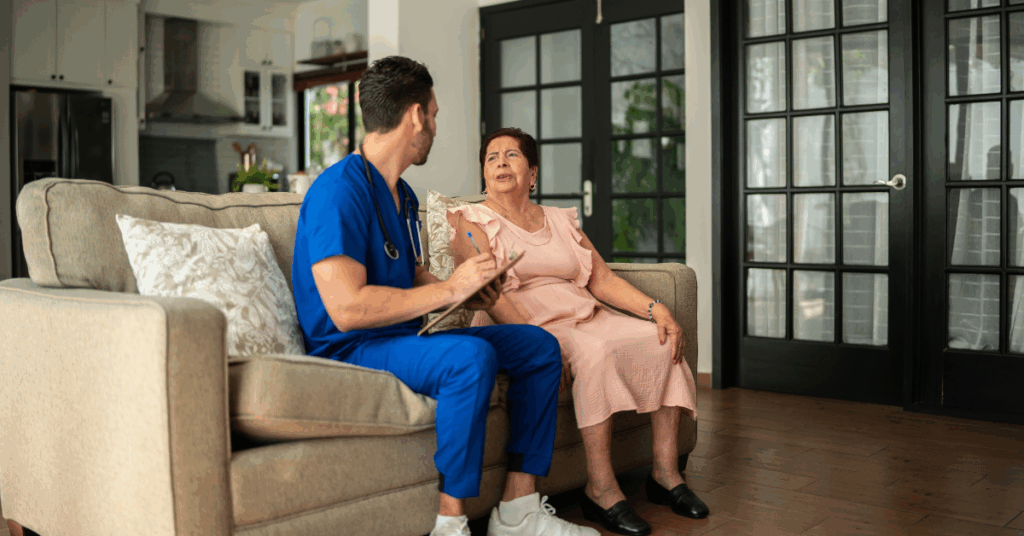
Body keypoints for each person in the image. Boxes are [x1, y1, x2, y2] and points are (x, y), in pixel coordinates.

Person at [291, 57, 599, 536]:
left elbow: (411, 276)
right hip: (350, 348)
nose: (434, 126)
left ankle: (518, 512)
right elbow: (347, 309)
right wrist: (449, 287)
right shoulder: (337, 192)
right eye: (433, 115)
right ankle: (450, 524)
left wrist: (464, 296)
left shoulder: (402, 194)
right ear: (415, 116)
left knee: (539, 347)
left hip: (403, 336)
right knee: (469, 355)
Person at [447, 128, 709, 536]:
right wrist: (538, 342)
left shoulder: (558, 219)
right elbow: (490, 295)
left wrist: (657, 309)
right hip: (525, 322)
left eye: (512, 155)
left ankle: (665, 473)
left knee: (658, 342)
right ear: (484, 172)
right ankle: (601, 489)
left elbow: (601, 279)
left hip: (584, 312)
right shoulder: (472, 220)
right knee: (597, 353)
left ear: (532, 173)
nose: (500, 162)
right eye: (492, 156)